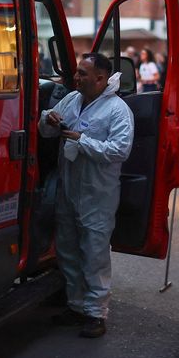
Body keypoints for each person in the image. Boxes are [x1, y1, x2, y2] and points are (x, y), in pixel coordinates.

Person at [39, 53, 135, 338]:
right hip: (69, 186)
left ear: (101, 78)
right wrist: (49, 118)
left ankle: (96, 313)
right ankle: (77, 305)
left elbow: (119, 150)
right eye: (78, 73)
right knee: (67, 248)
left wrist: (83, 142)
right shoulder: (72, 99)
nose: (76, 77)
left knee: (94, 253)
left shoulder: (117, 110)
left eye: (82, 73)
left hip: (97, 193)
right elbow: (44, 129)